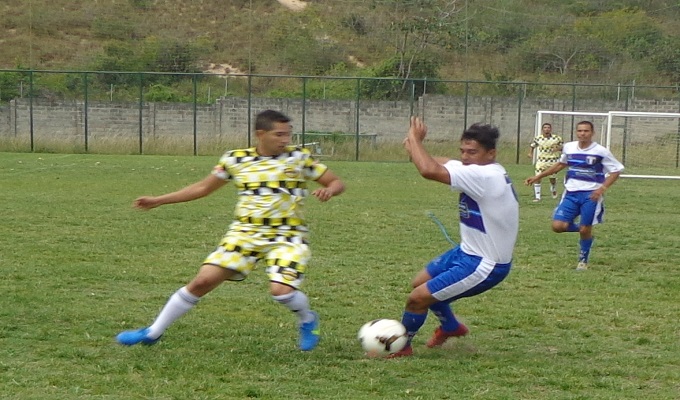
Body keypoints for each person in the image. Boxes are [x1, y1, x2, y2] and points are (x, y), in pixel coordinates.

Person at [116, 109, 345, 351]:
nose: (285, 140)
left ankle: (308, 320)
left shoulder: (299, 157)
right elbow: (203, 188)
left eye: (288, 134)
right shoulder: (235, 159)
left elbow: (336, 181)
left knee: (281, 292)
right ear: (260, 134)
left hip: (288, 236)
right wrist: (159, 200)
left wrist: (330, 190)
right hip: (244, 233)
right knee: (202, 281)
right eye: (279, 134)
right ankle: (153, 332)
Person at [388, 117, 519, 358]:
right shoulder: (479, 169)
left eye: (472, 152)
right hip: (466, 252)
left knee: (417, 299)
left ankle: (401, 347)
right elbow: (441, 162)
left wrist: (416, 141)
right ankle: (451, 326)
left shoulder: (485, 176)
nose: (465, 157)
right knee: (420, 283)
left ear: (491, 153)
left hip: (485, 264)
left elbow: (428, 170)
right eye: (463, 151)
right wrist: (415, 148)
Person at [524, 120, 624, 271]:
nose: (583, 134)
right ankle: (586, 230)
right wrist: (538, 176)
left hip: (591, 195)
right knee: (558, 226)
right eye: (580, 131)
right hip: (571, 193)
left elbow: (616, 170)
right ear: (576, 132)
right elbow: (561, 164)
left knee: (584, 230)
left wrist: (601, 189)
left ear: (592, 133)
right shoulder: (569, 147)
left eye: (586, 131)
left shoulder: (600, 151)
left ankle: (583, 260)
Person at [528, 122, 563, 202]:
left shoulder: (557, 138)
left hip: (553, 161)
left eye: (548, 128)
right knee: (538, 177)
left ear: (551, 129)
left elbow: (563, 147)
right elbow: (532, 146)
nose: (547, 129)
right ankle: (537, 197)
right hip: (541, 161)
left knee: (552, 178)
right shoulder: (538, 138)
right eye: (545, 127)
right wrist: (530, 153)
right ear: (542, 129)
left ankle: (553, 188)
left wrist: (558, 148)